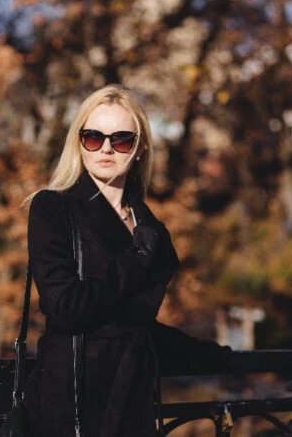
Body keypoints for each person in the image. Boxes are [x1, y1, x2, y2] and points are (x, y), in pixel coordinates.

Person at [24, 84, 232, 437]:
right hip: (71, 405)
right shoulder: (53, 207)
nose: (105, 147)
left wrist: (214, 356)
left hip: (131, 400)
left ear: (140, 149)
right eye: (93, 137)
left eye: (121, 139)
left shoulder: (149, 229)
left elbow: (134, 326)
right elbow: (65, 306)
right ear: (78, 141)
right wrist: (136, 259)